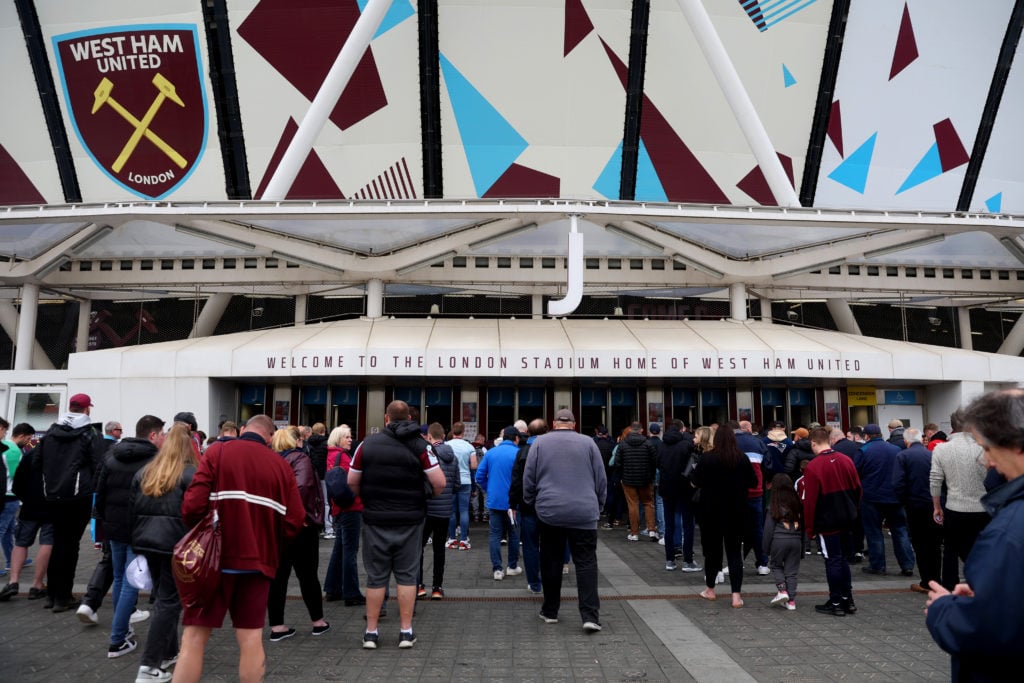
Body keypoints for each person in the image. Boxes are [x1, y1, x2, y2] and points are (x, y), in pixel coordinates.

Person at [175, 415, 305, 683]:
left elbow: (192, 506)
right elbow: (294, 520)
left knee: (194, 637)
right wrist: (270, 542)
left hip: (212, 562)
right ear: (269, 438)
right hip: (258, 562)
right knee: (250, 637)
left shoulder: (217, 452)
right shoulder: (281, 466)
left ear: (243, 430)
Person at [925, 389, 1024, 680]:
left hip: (956, 509)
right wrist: (991, 590)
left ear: (1016, 445)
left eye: (989, 448)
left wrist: (943, 609)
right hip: (979, 510)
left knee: (954, 553)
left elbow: (986, 631)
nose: (987, 462)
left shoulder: (1009, 530)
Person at [347, 401, 444, 650]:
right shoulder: (422, 446)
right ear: (410, 418)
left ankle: (371, 633)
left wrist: (367, 499)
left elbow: (352, 481)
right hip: (410, 521)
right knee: (407, 576)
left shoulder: (366, 444)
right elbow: (439, 482)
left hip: (375, 519)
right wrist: (423, 497)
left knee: (376, 577)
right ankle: (405, 632)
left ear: (386, 419)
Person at [523, 409, 606, 632]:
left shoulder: (539, 444)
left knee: (551, 561)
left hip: (550, 511)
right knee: (586, 562)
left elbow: (528, 478)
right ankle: (590, 616)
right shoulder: (589, 443)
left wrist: (532, 502)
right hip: (584, 512)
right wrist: (598, 505)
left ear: (554, 423)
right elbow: (601, 478)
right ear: (574, 423)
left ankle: (550, 611)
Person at [130, 422, 198, 683]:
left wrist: (134, 543)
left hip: (148, 543)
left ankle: (168, 653)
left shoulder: (145, 471)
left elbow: (131, 510)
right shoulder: (191, 473)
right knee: (168, 603)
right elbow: (197, 512)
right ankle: (149, 666)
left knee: (163, 599)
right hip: (176, 545)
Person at [94, 415, 165, 658]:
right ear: (153, 435)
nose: (164, 438)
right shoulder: (156, 460)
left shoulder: (112, 455)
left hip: (114, 527)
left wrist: (102, 524)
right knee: (131, 582)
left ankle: (122, 631)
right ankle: (117, 639)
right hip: (139, 529)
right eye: (162, 434)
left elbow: (99, 492)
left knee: (119, 578)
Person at [36, 392, 105, 612]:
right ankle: (63, 596)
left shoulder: (51, 431)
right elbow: (98, 465)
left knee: (57, 542)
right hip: (77, 496)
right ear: (87, 410)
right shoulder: (90, 433)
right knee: (71, 545)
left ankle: (52, 594)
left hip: (52, 495)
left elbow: (36, 461)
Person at [266, 426, 328, 642]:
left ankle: (277, 626)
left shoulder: (270, 459)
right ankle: (318, 622)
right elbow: (303, 487)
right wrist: (297, 515)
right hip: (300, 526)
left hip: (275, 526)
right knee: (308, 574)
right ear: (297, 441)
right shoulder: (300, 459)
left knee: (278, 577)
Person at [692, 427, 757, 608]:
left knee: (712, 552)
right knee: (734, 553)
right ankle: (736, 596)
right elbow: (754, 482)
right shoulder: (741, 458)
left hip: (711, 512)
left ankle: (710, 590)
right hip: (736, 512)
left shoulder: (707, 458)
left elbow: (694, 481)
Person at [803, 428, 862, 617]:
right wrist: (853, 510)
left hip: (827, 521)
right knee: (843, 559)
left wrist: (809, 528)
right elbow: (858, 489)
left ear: (813, 443)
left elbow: (810, 502)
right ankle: (847, 599)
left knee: (833, 561)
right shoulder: (846, 460)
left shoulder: (813, 466)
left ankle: (836, 601)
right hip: (847, 517)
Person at [929, 409, 990, 590]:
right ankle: (983, 584)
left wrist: (937, 506)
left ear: (953, 426)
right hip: (983, 508)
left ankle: (949, 587)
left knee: (950, 549)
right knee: (982, 549)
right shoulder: (984, 447)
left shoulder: (941, 448)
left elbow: (935, 479)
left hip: (954, 507)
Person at [855, 424, 915, 576]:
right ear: (881, 434)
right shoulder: (895, 450)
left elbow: (856, 473)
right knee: (900, 530)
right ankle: (907, 565)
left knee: (874, 532)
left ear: (866, 436)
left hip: (871, 498)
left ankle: (877, 565)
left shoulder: (864, 451)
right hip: (894, 497)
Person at [0, 423, 50, 602]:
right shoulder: (58, 459)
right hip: (50, 507)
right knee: (47, 542)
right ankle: (37, 585)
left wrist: (25, 498)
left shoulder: (28, 456)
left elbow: (18, 481)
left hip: (29, 507)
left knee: (21, 542)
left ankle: (13, 581)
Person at [893, 428, 942, 594]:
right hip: (933, 504)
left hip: (914, 505)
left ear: (906, 441)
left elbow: (898, 483)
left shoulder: (903, 456)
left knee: (920, 544)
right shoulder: (932, 454)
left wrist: (904, 501)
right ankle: (937, 579)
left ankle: (926, 581)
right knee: (934, 545)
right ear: (921, 439)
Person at [323, 425, 364, 606]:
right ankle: (352, 593)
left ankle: (332, 588)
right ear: (338, 438)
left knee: (339, 550)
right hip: (351, 508)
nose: (350, 439)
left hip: (338, 508)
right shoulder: (345, 457)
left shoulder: (331, 455)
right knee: (350, 551)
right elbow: (354, 481)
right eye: (347, 437)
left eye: (350, 436)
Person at [475, 426, 523, 580]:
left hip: (495, 500)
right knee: (514, 535)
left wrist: (489, 488)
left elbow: (479, 476)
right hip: (513, 502)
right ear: (516, 438)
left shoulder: (491, 453)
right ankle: (512, 566)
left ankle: (497, 569)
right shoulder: (518, 453)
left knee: (495, 535)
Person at [418, 423, 459, 599]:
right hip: (444, 510)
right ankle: (437, 587)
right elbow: (457, 484)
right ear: (443, 436)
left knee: (418, 549)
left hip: (427, 509)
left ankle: (419, 585)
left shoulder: (427, 454)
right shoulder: (453, 457)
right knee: (439, 550)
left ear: (429, 436)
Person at [509, 418, 547, 593]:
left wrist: (513, 503)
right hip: (549, 505)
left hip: (528, 505)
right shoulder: (551, 450)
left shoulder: (522, 451)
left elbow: (516, 481)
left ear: (528, 433)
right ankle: (549, 580)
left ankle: (534, 583)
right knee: (549, 545)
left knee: (530, 545)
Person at [658, 422, 696, 572]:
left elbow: (657, 463)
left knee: (669, 525)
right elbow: (692, 464)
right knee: (688, 525)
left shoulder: (661, 446)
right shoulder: (686, 445)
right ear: (682, 429)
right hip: (684, 488)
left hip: (666, 488)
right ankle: (688, 561)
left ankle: (670, 560)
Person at [763, 473, 802, 610]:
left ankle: (782, 591)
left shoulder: (773, 506)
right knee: (791, 572)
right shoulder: (797, 505)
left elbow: (768, 530)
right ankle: (791, 601)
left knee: (776, 565)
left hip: (779, 540)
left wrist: (765, 549)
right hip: (796, 540)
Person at [617, 422, 659, 542]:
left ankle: (634, 533)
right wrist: (651, 476)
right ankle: (651, 530)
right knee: (648, 503)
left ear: (630, 430)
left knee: (633, 505)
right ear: (641, 430)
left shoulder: (623, 444)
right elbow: (654, 462)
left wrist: (622, 476)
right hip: (645, 480)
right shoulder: (648, 443)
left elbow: (618, 463)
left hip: (628, 480)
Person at [445, 421, 476, 550]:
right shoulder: (469, 447)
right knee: (463, 511)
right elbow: (474, 466)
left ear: (452, 432)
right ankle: (463, 540)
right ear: (463, 432)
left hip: (451, 481)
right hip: (465, 481)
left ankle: (452, 539)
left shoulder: (446, 445)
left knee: (451, 511)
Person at [305, 422, 331, 539]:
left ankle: (316, 525)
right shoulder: (326, 444)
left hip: (312, 476)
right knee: (325, 502)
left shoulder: (307, 443)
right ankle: (328, 527)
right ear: (323, 431)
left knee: (314, 502)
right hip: (323, 476)